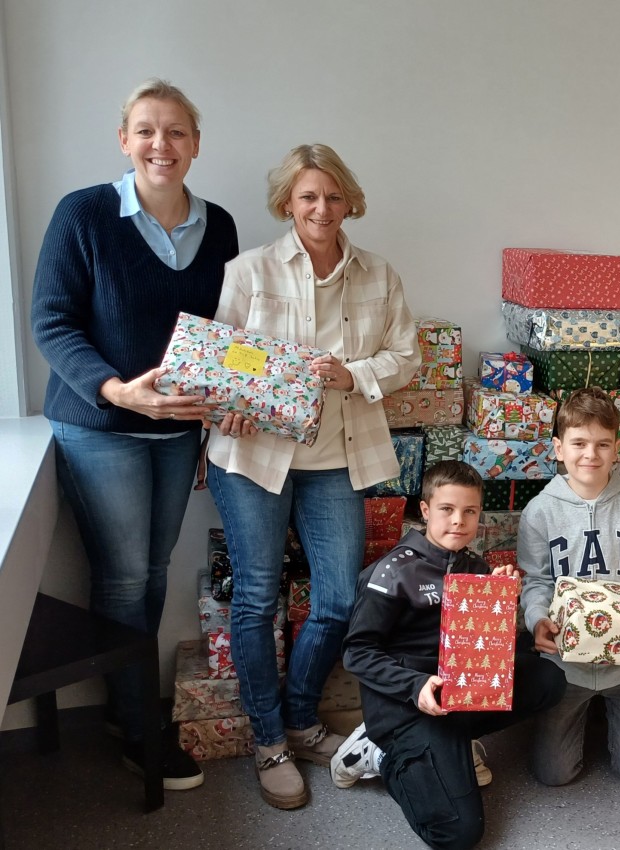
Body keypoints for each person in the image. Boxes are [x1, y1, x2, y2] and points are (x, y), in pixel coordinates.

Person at [30, 78, 238, 790]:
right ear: (124, 140)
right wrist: (119, 391)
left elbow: (224, 337)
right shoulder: (84, 214)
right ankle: (137, 723)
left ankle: (127, 709)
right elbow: (51, 322)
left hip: (178, 436)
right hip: (102, 429)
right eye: (146, 130)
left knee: (152, 573)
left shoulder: (222, 225)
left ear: (197, 144)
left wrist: (214, 422)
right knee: (122, 578)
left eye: (177, 131)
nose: (162, 144)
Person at [205, 144, 420, 809]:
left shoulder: (378, 274)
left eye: (331, 196)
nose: (320, 209)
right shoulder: (250, 270)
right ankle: (268, 740)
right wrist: (230, 401)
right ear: (286, 204)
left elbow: (407, 357)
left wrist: (352, 374)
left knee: (336, 599)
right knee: (257, 597)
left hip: (336, 456)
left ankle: (300, 719)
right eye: (307, 197)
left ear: (349, 200)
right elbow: (218, 356)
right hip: (251, 459)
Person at [335, 461, 565, 850]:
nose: (459, 521)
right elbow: (357, 653)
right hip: (406, 705)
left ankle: (456, 739)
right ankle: (378, 753)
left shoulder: (474, 566)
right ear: (425, 511)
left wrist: (498, 603)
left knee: (548, 679)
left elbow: (482, 650)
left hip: (455, 692)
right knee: (458, 834)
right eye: (447, 509)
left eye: (470, 511)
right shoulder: (392, 573)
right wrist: (414, 686)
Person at [517, 387, 620, 785]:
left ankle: (607, 713)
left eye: (602, 444)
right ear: (558, 448)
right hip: (566, 665)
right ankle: (582, 714)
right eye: (578, 443)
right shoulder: (539, 511)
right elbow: (536, 580)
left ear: (616, 449)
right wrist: (537, 619)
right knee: (553, 775)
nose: (590, 454)